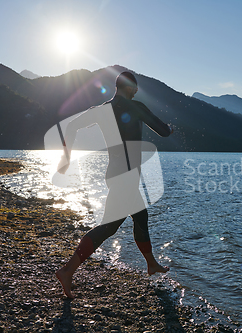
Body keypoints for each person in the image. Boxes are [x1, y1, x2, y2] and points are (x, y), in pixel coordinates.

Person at [55, 71, 173, 299]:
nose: (137, 91)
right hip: (126, 176)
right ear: (129, 88)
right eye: (135, 88)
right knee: (109, 227)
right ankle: (67, 271)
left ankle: (151, 264)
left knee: (140, 216)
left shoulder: (102, 110)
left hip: (116, 173)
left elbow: (71, 126)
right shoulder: (136, 107)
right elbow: (164, 131)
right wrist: (171, 128)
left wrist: (66, 156)